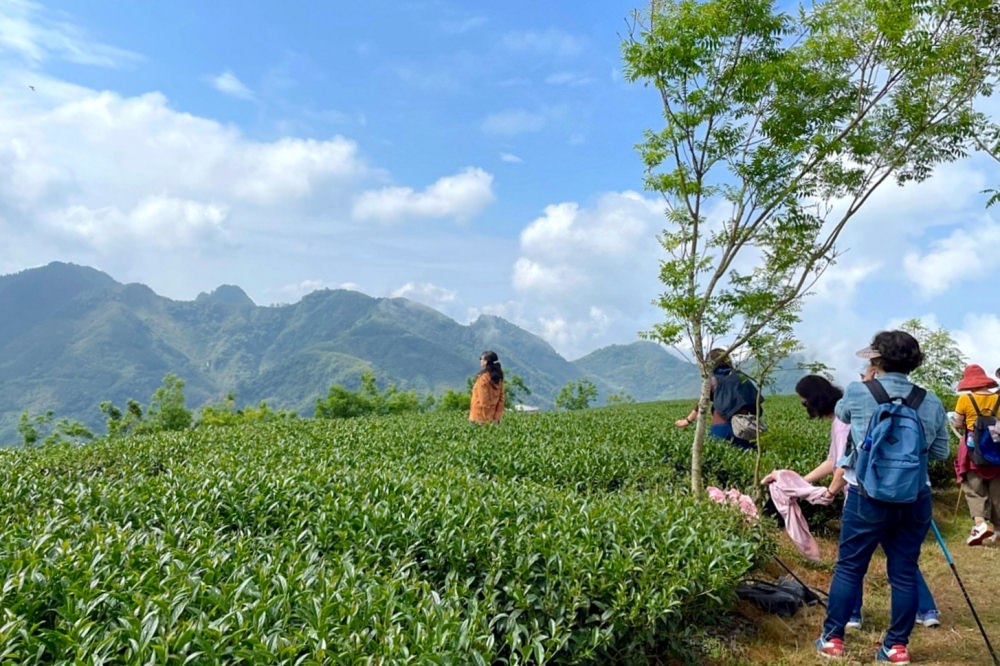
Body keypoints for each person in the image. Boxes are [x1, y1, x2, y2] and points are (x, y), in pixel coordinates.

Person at [816, 331, 949, 664]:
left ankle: (833, 640)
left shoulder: (859, 392)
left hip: (866, 495)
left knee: (849, 568)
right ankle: (896, 647)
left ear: (876, 360)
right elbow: (940, 452)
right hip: (914, 497)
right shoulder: (930, 400)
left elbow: (842, 415)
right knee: (903, 570)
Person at [775, 374, 940, 631]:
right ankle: (926, 610)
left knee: (851, 562)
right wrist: (798, 483)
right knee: (902, 561)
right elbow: (834, 461)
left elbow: (845, 463)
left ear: (813, 400)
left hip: (864, 494)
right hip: (905, 492)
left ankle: (849, 617)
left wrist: (830, 491)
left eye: (803, 401)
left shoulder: (843, 420)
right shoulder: (907, 403)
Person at [951, 364, 1000, 546]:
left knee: (974, 488)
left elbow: (957, 424)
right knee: (997, 490)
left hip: (972, 449)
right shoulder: (998, 397)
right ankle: (998, 530)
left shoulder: (965, 399)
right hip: (996, 448)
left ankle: (980, 524)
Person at [674, 348, 760, 450]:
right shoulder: (741, 377)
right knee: (745, 459)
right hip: (741, 428)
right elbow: (755, 405)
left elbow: (702, 403)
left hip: (719, 428)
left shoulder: (712, 380)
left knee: (720, 460)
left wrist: (687, 420)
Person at [469, 350, 504, 423]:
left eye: (481, 359)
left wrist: (487, 419)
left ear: (486, 361)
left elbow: (483, 401)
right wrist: (496, 417)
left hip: (479, 417)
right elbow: (501, 399)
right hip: (494, 416)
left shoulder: (483, 378)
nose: (480, 361)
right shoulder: (498, 378)